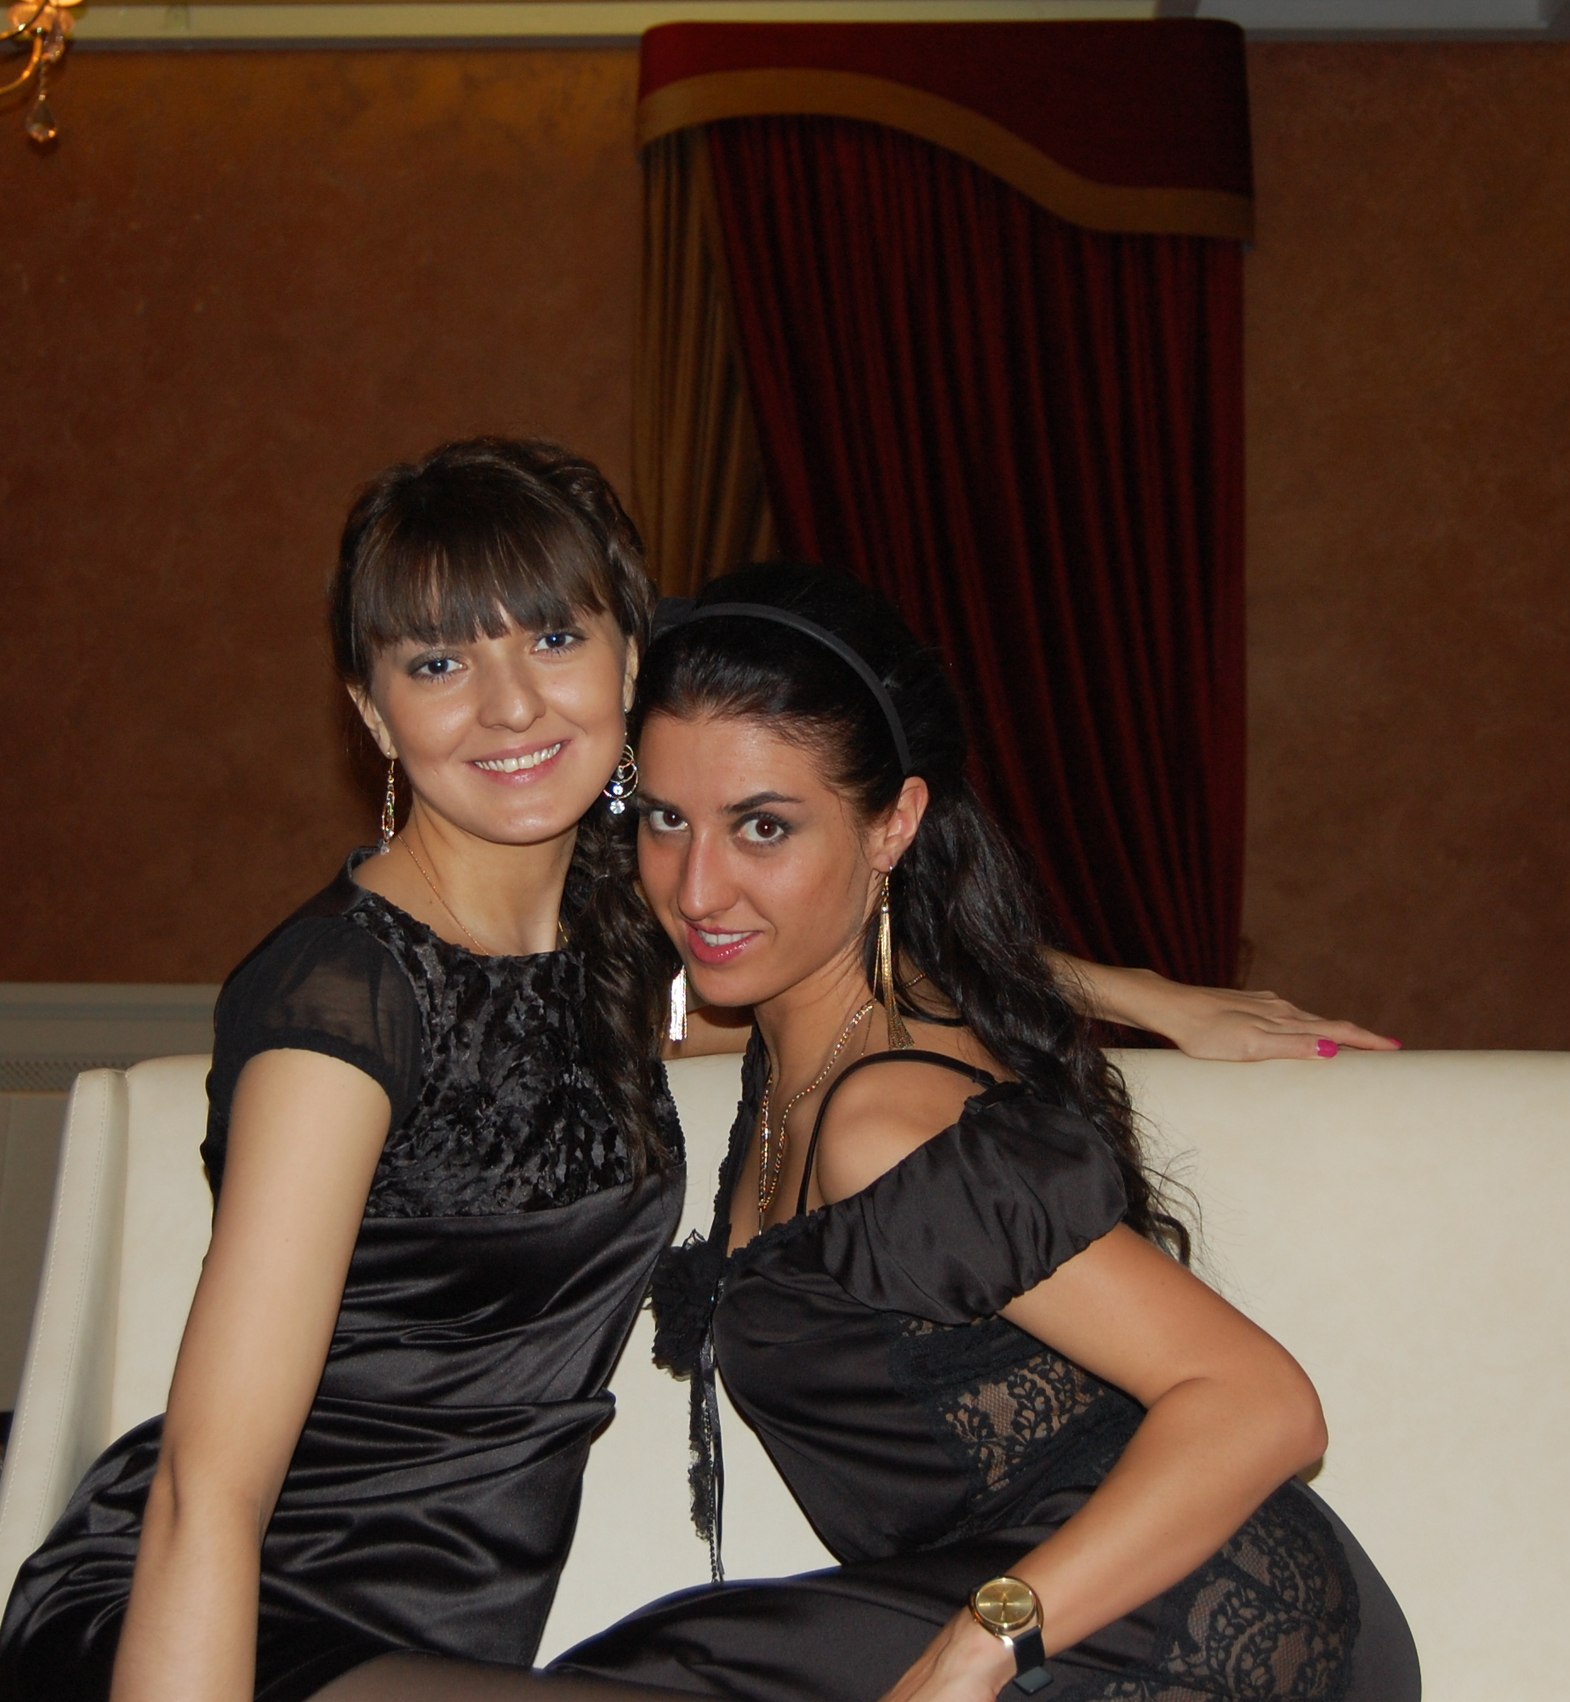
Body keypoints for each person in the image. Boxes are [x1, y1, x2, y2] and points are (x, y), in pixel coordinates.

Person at [0, 441, 1391, 1702]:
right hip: (234, 1620)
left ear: (627, 660)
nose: (508, 704)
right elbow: (208, 1492)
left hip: (438, 1637)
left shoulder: (613, 952)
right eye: (435, 663)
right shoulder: (338, 1007)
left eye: (553, 636)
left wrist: (1141, 992)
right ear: (369, 710)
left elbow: (826, 952)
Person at [554, 565, 1418, 1702]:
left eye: (763, 826)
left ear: (894, 823)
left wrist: (981, 1645)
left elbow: (1263, 1404)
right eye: (667, 818)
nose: (698, 887)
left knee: (669, 1669)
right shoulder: (790, 1022)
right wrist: (1140, 989)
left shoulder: (887, 1122)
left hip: (1199, 1625)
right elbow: (633, 1021)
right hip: (1078, 1606)